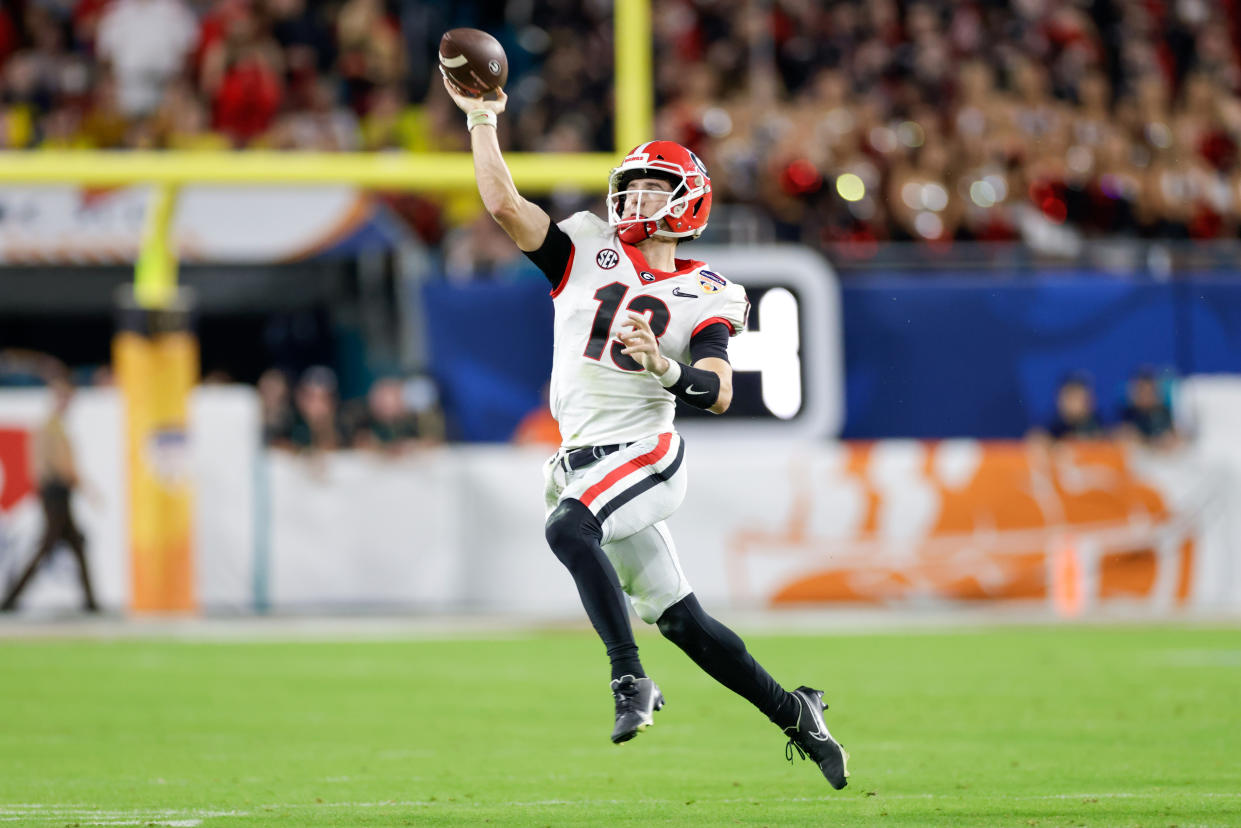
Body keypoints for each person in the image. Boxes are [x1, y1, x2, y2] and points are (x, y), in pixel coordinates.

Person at [443, 77, 849, 789]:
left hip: (645, 452)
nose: (633, 201)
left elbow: (718, 390)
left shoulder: (709, 290)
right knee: (683, 620)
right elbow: (505, 204)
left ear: (686, 202)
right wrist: (482, 118)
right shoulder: (582, 247)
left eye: (651, 189)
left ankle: (630, 680)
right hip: (579, 459)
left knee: (569, 531)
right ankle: (798, 715)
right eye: (627, 188)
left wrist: (662, 364)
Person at [1, 376, 98, 613]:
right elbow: (60, 465)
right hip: (55, 493)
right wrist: (87, 488)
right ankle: (11, 598)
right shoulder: (51, 427)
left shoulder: (52, 426)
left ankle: (90, 601)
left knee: (74, 545)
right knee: (49, 545)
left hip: (57, 492)